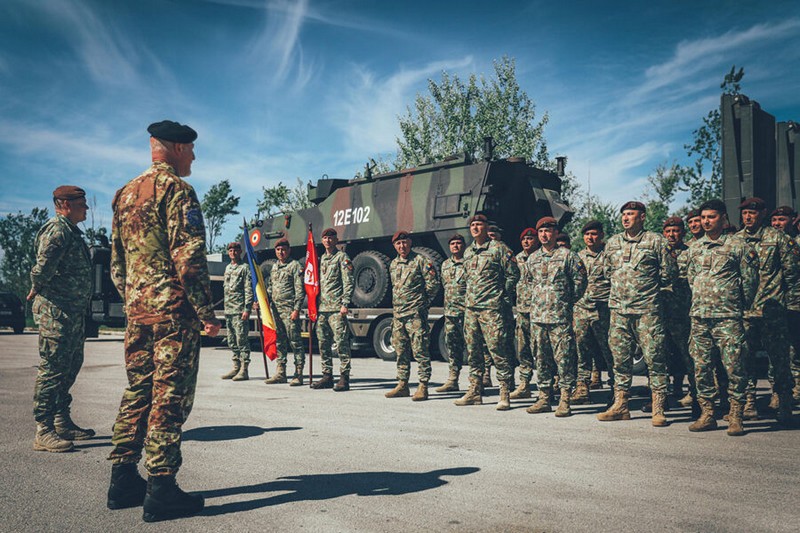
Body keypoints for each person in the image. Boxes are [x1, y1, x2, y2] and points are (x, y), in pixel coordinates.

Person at [107, 120, 221, 522]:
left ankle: (122, 479)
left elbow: (117, 266)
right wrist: (207, 314)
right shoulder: (178, 190)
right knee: (169, 398)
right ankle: (162, 487)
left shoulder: (124, 194)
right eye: (190, 148)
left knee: (138, 391)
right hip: (173, 314)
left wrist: (135, 301)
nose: (193, 155)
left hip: (138, 313)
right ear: (174, 147)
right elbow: (189, 260)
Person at [597, 201, 676, 427]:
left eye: (630, 214)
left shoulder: (656, 241)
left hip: (646, 311)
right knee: (620, 359)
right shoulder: (612, 243)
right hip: (619, 311)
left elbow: (668, 273)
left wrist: (646, 291)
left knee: (655, 358)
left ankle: (658, 407)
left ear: (642, 217)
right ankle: (621, 406)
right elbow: (607, 272)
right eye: (623, 214)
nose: (626, 218)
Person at [28, 185, 93, 453]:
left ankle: (61, 420)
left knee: (71, 365)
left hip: (71, 313)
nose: (86, 208)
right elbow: (42, 268)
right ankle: (43, 430)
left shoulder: (72, 232)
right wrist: (36, 287)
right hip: (56, 313)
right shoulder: (57, 231)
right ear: (64, 204)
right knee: (53, 369)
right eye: (81, 203)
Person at [684, 200, 758, 435]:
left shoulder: (738, 245)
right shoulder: (695, 248)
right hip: (699, 317)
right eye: (703, 217)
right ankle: (708, 413)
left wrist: (737, 305)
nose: (706, 221)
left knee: (734, 366)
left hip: (727, 317)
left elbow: (750, 281)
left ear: (723, 218)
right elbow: (691, 279)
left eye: (711, 217)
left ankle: (736, 414)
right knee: (702, 367)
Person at [737, 198, 798, 423]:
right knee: (744, 358)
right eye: (744, 213)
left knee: (779, 359)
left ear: (762, 214)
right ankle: (750, 401)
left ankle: (783, 400)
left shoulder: (778, 239)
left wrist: (789, 306)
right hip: (745, 311)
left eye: (752, 213)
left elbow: (792, 274)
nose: (748, 217)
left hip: (772, 309)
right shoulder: (735, 241)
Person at [455, 214, 517, 410]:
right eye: (472, 225)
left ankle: (504, 392)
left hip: (492, 309)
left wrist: (501, 294)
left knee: (497, 350)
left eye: (479, 224)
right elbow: (465, 278)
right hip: (471, 309)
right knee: (473, 352)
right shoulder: (468, 252)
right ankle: (474, 391)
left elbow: (514, 273)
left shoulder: (499, 248)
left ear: (486, 227)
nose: (475, 227)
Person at [525, 217, 587, 416]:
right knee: (541, 358)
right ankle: (544, 397)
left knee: (564, 358)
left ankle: (565, 399)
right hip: (538, 318)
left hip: (559, 318)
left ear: (555, 232)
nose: (544, 234)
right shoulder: (532, 258)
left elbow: (580, 283)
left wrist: (564, 301)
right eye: (541, 231)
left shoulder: (568, 256)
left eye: (548, 231)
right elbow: (528, 283)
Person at [384, 231, 441, 400]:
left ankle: (423, 386)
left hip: (415, 315)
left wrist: (423, 304)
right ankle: (403, 384)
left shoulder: (420, 260)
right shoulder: (393, 264)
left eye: (405, 242)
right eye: (398, 244)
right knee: (401, 351)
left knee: (420, 350)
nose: (402, 246)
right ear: (395, 246)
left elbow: (433, 284)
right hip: (398, 315)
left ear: (410, 242)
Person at [572, 220, 614, 405]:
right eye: (587, 234)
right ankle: (582, 387)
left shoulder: (609, 256)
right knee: (582, 349)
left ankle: (616, 388)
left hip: (603, 310)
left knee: (609, 350)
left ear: (601, 236)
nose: (590, 237)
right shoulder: (578, 257)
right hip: (581, 310)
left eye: (594, 234)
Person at [311, 228, 354, 391]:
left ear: (336, 240)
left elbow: (348, 282)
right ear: (322, 241)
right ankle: (327, 375)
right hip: (322, 309)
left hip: (336, 308)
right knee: (323, 343)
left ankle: (344, 377)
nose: (328, 241)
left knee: (341, 342)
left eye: (331, 238)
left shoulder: (342, 257)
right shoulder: (320, 259)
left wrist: (345, 303)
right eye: (325, 238)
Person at [661, 216, 695, 409]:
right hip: (661, 312)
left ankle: (694, 392)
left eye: (675, 231)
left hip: (682, 312)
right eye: (668, 231)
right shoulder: (659, 252)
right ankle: (662, 395)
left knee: (687, 354)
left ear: (683, 232)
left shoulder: (690, 253)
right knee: (661, 354)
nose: (672, 235)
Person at [265, 239, 306, 386]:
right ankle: (281, 372)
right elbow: (270, 288)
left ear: (289, 250)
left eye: (283, 249)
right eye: (278, 250)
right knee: (280, 342)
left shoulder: (295, 266)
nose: (280, 252)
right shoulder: (274, 267)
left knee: (295, 342)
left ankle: (298, 373)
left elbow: (300, 290)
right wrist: (263, 301)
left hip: (289, 311)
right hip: (276, 311)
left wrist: (296, 309)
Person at [770, 207, 800, 403]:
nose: (777, 224)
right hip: (781, 303)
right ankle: (780, 391)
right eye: (774, 220)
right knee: (783, 348)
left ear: (793, 220)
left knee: (795, 348)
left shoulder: (795, 243)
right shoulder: (772, 243)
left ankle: (796, 386)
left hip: (795, 302)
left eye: (781, 219)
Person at [509, 228, 539, 400]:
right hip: (522, 311)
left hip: (540, 312)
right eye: (524, 239)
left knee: (542, 350)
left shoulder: (542, 257)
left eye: (530, 238)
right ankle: (524, 384)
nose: (527, 241)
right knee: (523, 349)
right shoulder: (517, 259)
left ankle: (551, 384)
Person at [436, 234, 467, 393]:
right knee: (452, 347)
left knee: (476, 347)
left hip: (468, 312)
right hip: (451, 313)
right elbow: (444, 285)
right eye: (452, 243)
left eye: (458, 243)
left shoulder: (469, 262)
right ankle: (453, 379)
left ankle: (481, 380)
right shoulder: (445, 265)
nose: (455, 246)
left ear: (463, 245)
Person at [220, 242, 253, 381]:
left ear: (240, 252)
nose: (233, 252)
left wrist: (247, 309)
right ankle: (235, 367)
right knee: (231, 340)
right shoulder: (227, 268)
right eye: (231, 250)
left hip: (239, 310)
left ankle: (244, 370)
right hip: (229, 310)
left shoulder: (244, 268)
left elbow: (248, 289)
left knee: (242, 340)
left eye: (235, 250)